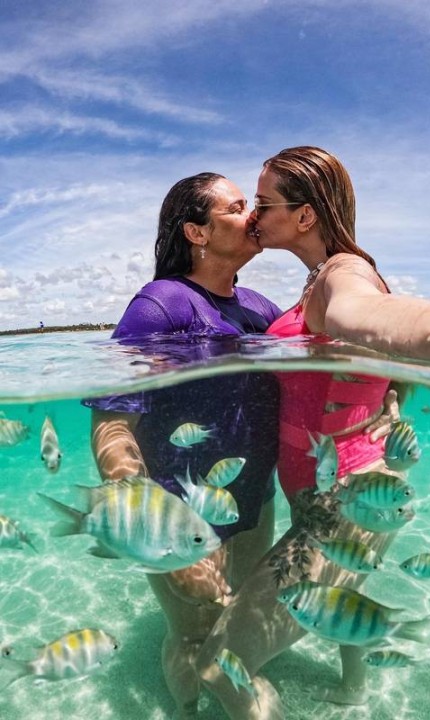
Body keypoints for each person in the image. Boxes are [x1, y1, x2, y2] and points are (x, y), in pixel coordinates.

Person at [195, 146, 430, 720]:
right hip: (341, 494)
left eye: (266, 204)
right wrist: (391, 402)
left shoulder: (342, 273)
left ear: (304, 217)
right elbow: (380, 366)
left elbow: (366, 318)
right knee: (349, 597)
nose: (254, 217)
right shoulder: (316, 278)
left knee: (216, 667)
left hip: (346, 502)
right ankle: (355, 689)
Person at [85, 172, 282, 720]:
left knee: (236, 623)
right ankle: (188, 712)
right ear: (197, 231)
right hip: (178, 510)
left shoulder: (260, 309)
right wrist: (152, 523)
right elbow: (112, 422)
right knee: (194, 635)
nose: (255, 214)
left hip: (253, 501)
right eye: (238, 206)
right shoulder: (161, 307)